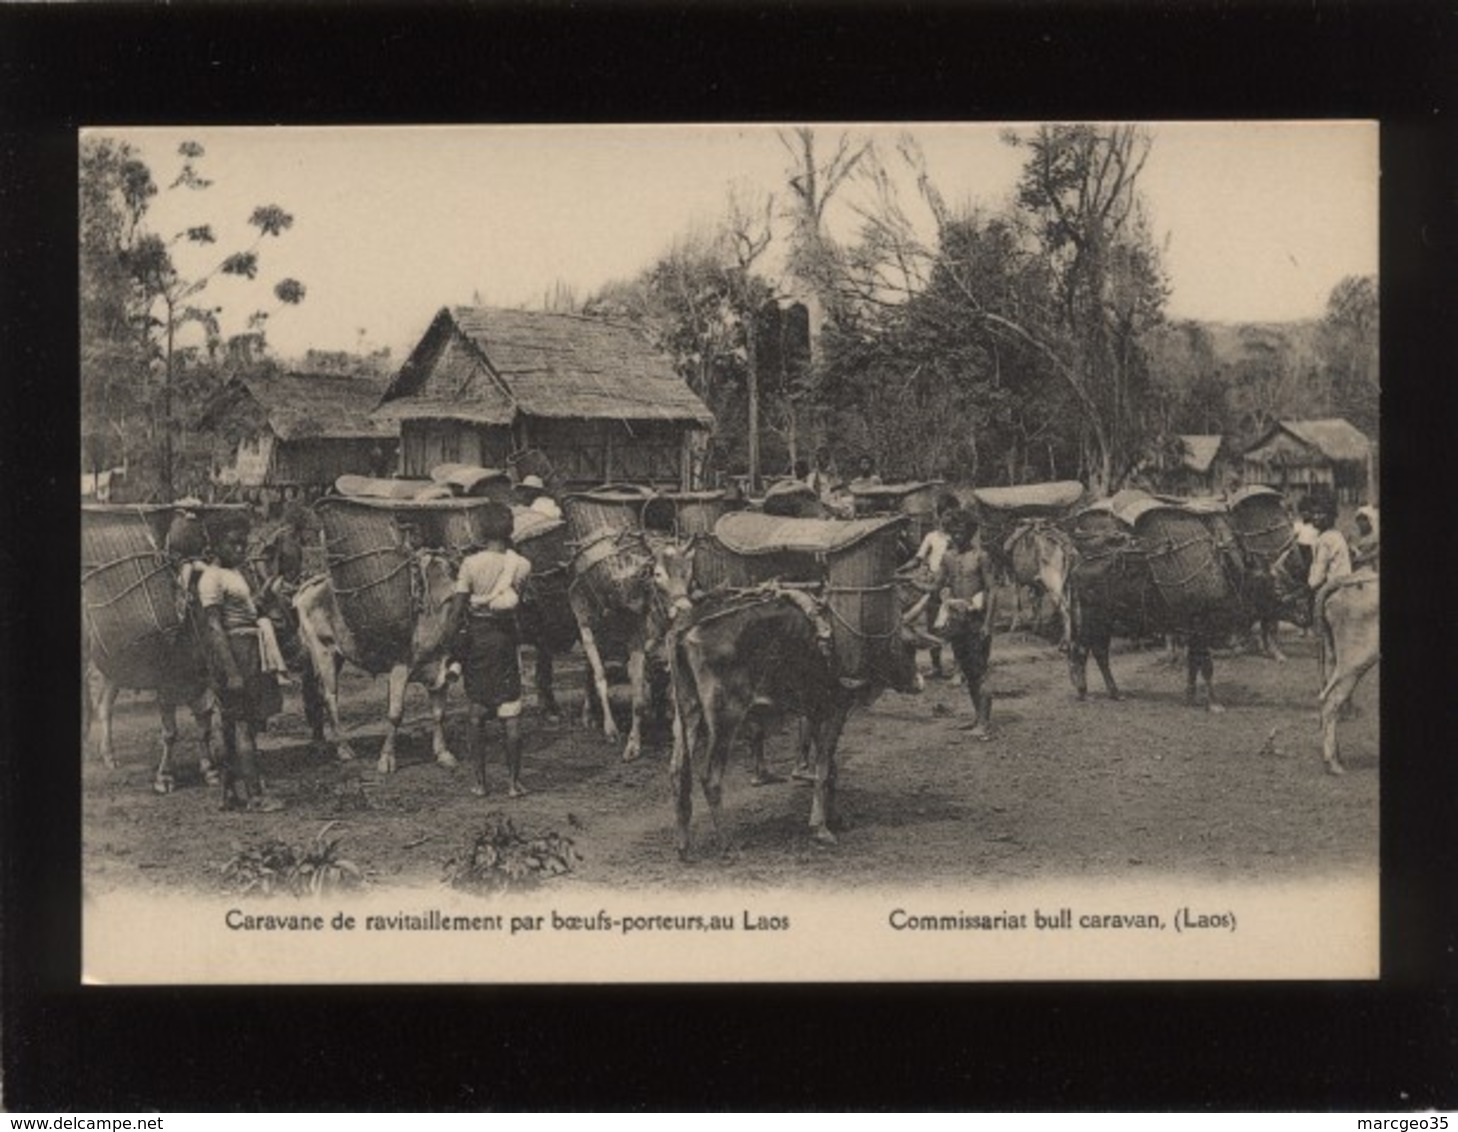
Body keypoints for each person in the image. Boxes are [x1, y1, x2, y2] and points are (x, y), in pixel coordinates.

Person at [198, 513, 287, 812]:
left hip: (248, 647)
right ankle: (256, 797)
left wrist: (266, 596)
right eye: (233, 543)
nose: (240, 549)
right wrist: (232, 670)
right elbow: (214, 626)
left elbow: (246, 611)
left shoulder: (235, 574)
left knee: (233, 724)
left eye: (243, 543)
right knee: (242, 726)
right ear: (216, 544)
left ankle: (229, 795)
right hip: (235, 651)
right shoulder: (211, 577)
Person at [447, 502, 534, 798]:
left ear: (481, 530)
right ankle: (513, 783)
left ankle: (480, 783)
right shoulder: (520, 565)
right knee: (511, 714)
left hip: (477, 641)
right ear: (509, 530)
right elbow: (516, 602)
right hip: (505, 640)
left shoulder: (470, 564)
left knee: (476, 713)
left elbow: (458, 610)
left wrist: (451, 646)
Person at [932, 509, 995, 740]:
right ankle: (978, 718)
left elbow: (991, 591)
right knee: (968, 671)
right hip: (957, 621)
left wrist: (988, 623)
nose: (957, 536)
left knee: (980, 671)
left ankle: (985, 725)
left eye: (962, 531)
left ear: (970, 532)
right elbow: (935, 584)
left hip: (977, 620)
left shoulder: (981, 556)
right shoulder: (948, 558)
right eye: (953, 531)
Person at [908, 492, 962, 679]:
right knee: (932, 626)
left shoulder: (959, 537)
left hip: (954, 585)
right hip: (934, 585)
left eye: (955, 514)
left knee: (955, 626)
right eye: (948, 514)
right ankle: (937, 666)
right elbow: (917, 559)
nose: (951, 518)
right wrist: (900, 571)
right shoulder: (931, 537)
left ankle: (958, 669)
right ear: (940, 515)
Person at [1351, 505, 1380, 573]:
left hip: (1371, 571)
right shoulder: (1354, 537)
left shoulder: (1375, 538)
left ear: (1370, 520)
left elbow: (1375, 554)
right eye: (1358, 519)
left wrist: (1358, 559)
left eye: (1364, 519)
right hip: (1355, 571)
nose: (1361, 523)